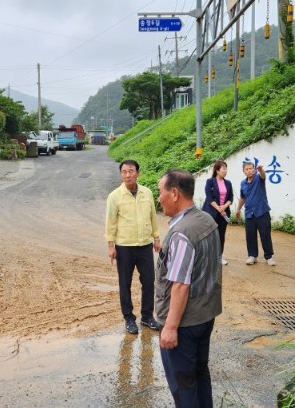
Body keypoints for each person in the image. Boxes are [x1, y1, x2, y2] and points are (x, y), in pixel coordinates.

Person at [155, 169, 223, 407]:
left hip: (185, 324)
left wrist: (170, 327)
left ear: (174, 193)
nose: (158, 198)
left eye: (160, 192)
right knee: (199, 373)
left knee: (183, 384)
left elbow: (181, 285)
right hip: (206, 315)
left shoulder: (183, 233)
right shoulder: (206, 219)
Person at [105, 159, 162, 334]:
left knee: (148, 281)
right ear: (121, 174)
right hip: (124, 246)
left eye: (131, 171)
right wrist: (111, 246)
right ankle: (129, 318)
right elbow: (111, 222)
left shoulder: (147, 193)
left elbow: (153, 216)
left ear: (138, 173)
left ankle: (147, 316)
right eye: (124, 171)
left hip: (145, 245)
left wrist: (156, 238)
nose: (127, 175)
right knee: (125, 283)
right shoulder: (115, 196)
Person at [235, 157, 276, 266]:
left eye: (251, 168)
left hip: (262, 211)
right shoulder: (243, 184)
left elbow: (263, 175)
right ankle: (252, 256)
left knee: (265, 234)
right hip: (249, 213)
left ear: (254, 169)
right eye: (246, 169)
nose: (249, 171)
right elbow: (243, 198)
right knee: (250, 235)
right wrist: (238, 209)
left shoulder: (259, 178)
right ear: (244, 171)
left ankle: (269, 257)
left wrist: (261, 170)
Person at [201, 160, 233, 266]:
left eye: (226, 168)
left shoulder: (228, 183)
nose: (225, 171)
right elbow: (209, 198)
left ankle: (219, 256)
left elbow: (230, 198)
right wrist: (219, 208)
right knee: (210, 235)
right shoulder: (210, 182)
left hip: (223, 213)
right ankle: (208, 257)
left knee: (221, 235)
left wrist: (224, 207)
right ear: (217, 170)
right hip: (211, 212)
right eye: (223, 168)